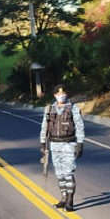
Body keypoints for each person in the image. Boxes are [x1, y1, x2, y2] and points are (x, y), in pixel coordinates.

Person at [40, 84, 85, 212]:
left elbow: (80, 126)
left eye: (63, 93)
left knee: (68, 173)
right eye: (59, 94)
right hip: (54, 144)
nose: (61, 96)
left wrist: (80, 144)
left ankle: (70, 202)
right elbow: (44, 126)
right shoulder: (49, 109)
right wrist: (43, 143)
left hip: (68, 144)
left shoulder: (73, 108)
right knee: (59, 173)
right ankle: (64, 198)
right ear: (55, 95)